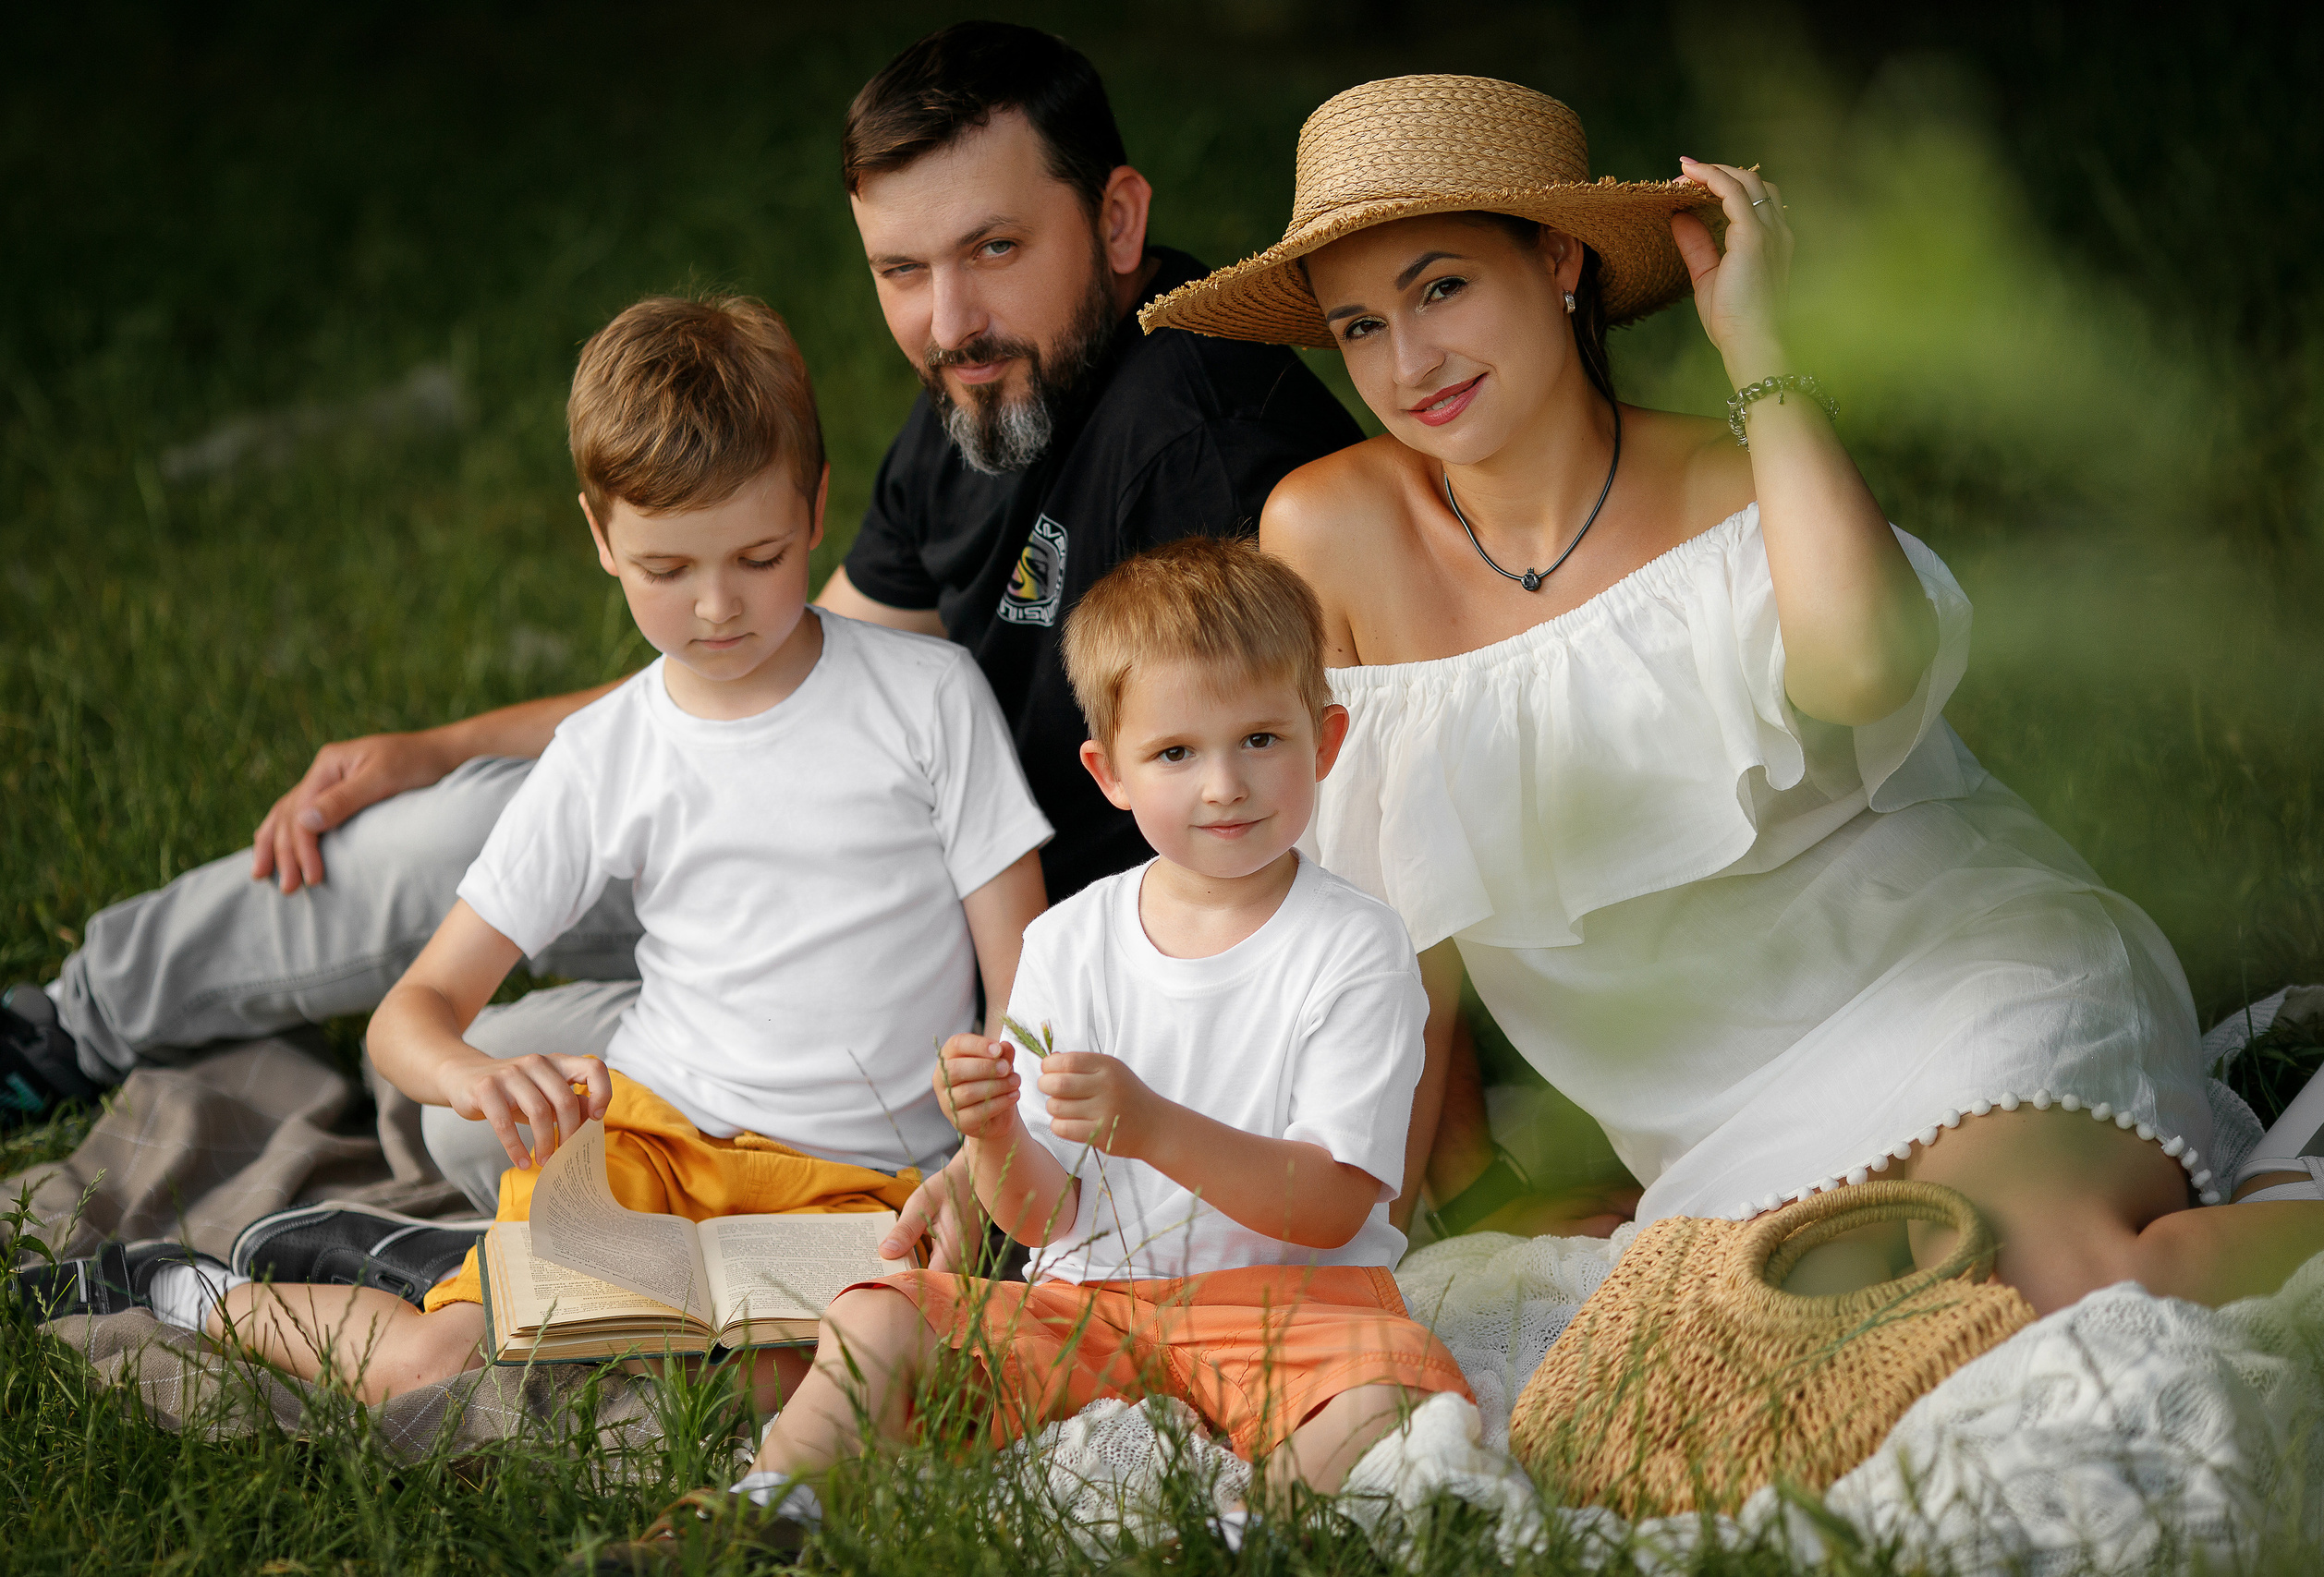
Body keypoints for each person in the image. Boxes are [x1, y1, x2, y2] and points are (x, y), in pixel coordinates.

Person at [0, 22, 1362, 1178]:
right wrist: (440, 743)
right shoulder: (993, 387)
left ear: (1116, 220)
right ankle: (66, 1026)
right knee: (466, 822)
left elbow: (1315, 801)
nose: (947, 320)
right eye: (901, 270)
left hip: (968, 969)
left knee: (479, 1102)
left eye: (993, 247)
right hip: (831, 853)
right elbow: (774, 657)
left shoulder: (1200, 439)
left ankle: (348, 1070)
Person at [1136, 74, 2324, 1314]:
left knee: (2050, 1281)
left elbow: (1866, 668)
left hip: (1961, 983)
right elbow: (1387, 915)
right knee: (1866, 1340)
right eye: (1358, 326)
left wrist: (1760, 354)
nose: (1409, 363)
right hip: (1716, 1112)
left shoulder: (1737, 479)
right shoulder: (1331, 531)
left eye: (1442, 288)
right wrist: (1421, 1213)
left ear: (1558, 260)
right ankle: (2268, 1204)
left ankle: (2294, 1222)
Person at [11, 296, 1052, 1400]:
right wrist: (478, 1076)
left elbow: (1027, 985)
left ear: (816, 507)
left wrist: (978, 1161)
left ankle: (422, 1259)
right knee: (433, 1368)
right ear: (600, 537)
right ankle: (192, 1290)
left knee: (786, 1397)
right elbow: (413, 1014)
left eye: (756, 556)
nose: (715, 608)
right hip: (649, 1151)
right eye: (665, 570)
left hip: (871, 1185)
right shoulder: (607, 750)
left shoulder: (929, 699)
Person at [590, 537, 1469, 1569]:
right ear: (1109, 773)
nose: (1225, 784)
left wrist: (1155, 1128)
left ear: (1325, 741)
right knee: (881, 1316)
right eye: (1176, 754)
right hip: (1088, 1307)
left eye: (1261, 739)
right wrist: (994, 1133)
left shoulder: (1355, 946)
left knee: (1392, 1380)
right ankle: (765, 1510)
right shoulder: (1068, 943)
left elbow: (1330, 1206)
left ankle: (1243, 1536)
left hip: (1290, 1308)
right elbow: (1046, 1218)